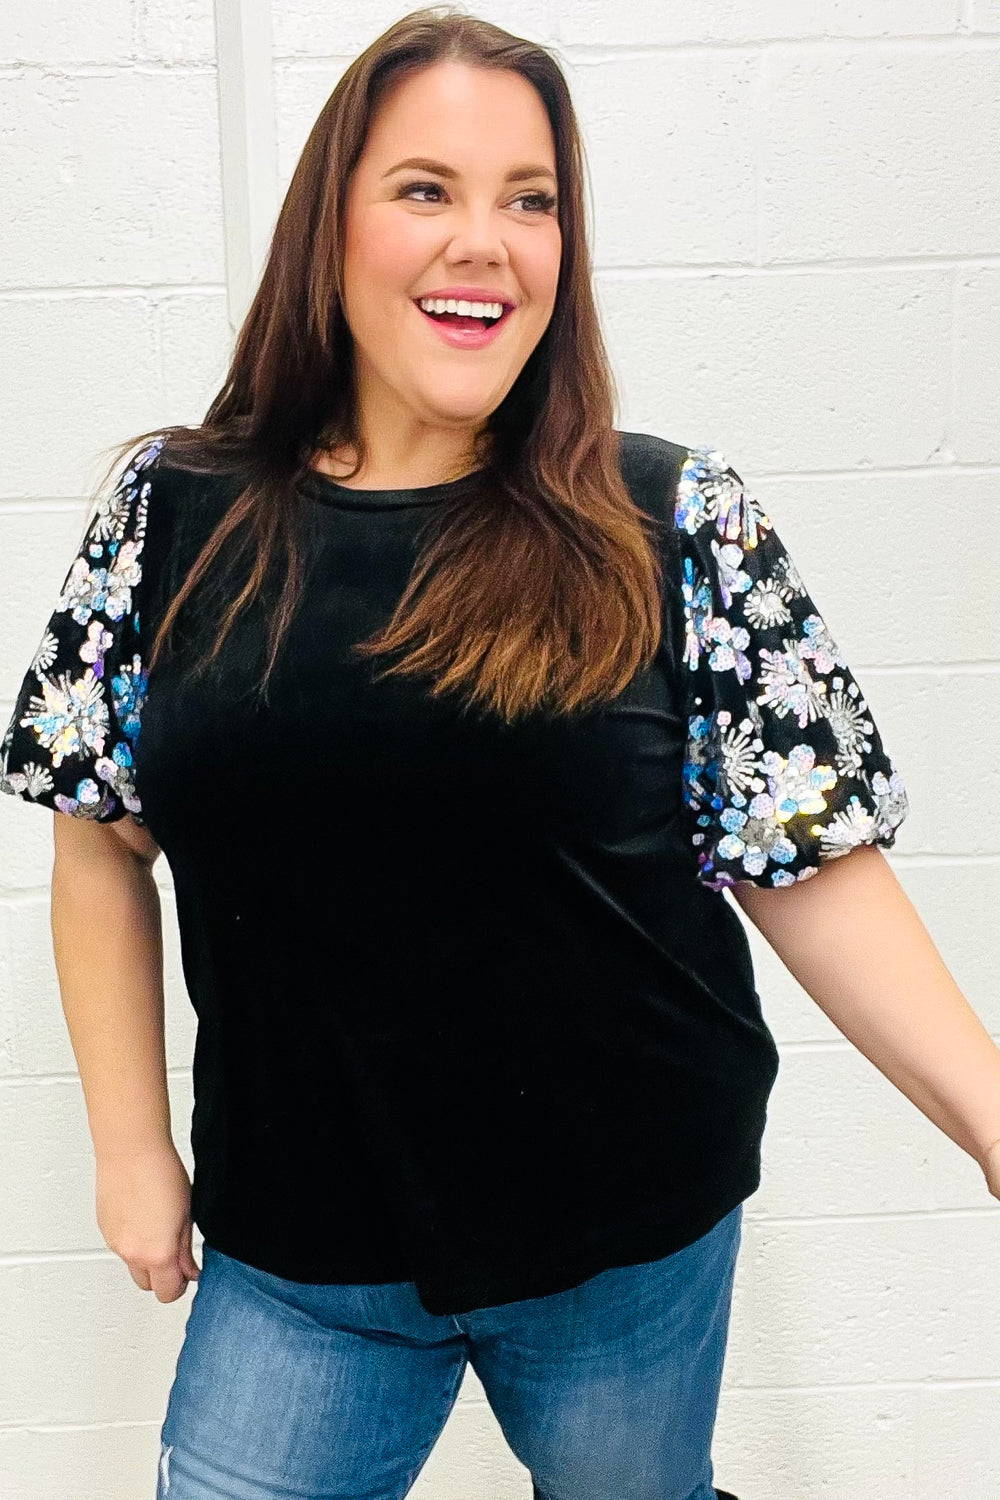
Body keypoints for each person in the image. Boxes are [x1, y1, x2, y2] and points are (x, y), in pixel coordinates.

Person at [3, 9, 999, 1500]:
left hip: (624, 1243)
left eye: (529, 200)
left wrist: (992, 1118)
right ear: (332, 225)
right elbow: (97, 833)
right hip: (300, 1256)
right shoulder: (173, 515)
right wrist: (129, 1148)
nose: (485, 241)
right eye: (426, 189)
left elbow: (808, 860)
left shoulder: (671, 521)